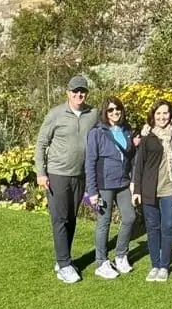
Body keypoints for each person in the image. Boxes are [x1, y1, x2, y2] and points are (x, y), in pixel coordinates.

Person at [34, 75, 99, 284]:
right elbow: (41, 144)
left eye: (82, 91)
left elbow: (105, 134)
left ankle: (63, 259)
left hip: (80, 174)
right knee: (60, 219)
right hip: (57, 174)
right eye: (75, 91)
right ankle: (64, 265)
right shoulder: (55, 114)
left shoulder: (93, 114)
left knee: (71, 218)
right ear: (68, 93)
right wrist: (41, 173)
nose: (79, 95)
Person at [85, 96, 137, 279]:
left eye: (117, 109)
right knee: (104, 222)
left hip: (123, 183)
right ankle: (101, 262)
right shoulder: (97, 132)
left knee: (130, 217)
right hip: (104, 185)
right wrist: (92, 191)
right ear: (105, 113)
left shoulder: (126, 129)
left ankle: (121, 255)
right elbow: (90, 162)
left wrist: (133, 180)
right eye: (110, 110)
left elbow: (132, 156)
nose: (115, 112)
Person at [132, 100, 172, 282]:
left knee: (168, 226)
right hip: (149, 189)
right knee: (152, 228)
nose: (162, 117)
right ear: (153, 115)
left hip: (170, 188)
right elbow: (139, 164)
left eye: (165, 113)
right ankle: (155, 265)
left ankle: (164, 266)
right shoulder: (147, 137)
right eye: (158, 113)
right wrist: (136, 190)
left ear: (170, 115)